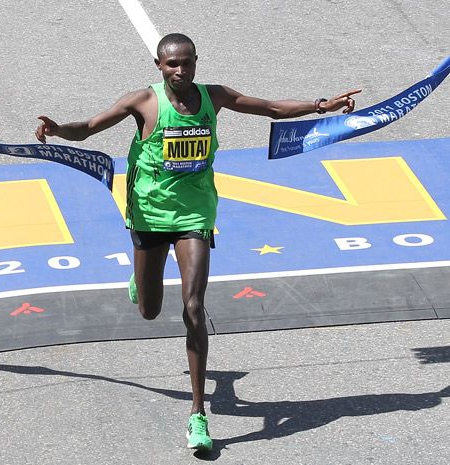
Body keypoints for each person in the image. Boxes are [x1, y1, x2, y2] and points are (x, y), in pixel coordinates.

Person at [35, 32, 360, 451]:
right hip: (150, 214)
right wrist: (58, 128)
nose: (181, 71)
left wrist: (321, 106)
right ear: (159, 66)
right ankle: (141, 282)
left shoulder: (215, 96)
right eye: (172, 64)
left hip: (195, 214)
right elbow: (89, 128)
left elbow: (271, 108)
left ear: (196, 62)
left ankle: (198, 415)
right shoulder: (143, 103)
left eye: (187, 63)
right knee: (149, 311)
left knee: (193, 305)